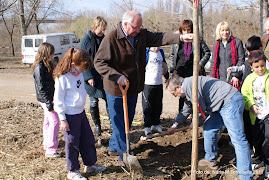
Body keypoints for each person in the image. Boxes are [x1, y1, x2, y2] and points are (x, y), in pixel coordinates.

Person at [94, 10, 193, 165]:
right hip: (115, 89)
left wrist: (180, 37)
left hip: (132, 87)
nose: (138, 30)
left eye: (140, 27)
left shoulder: (140, 35)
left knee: (128, 119)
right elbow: (99, 62)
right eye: (135, 27)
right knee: (120, 122)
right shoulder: (111, 39)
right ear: (125, 24)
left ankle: (114, 147)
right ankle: (124, 154)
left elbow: (160, 37)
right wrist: (116, 76)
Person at [166, 72, 253, 180]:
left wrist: (195, 121)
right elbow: (186, 109)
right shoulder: (187, 87)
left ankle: (246, 176)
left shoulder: (190, 85)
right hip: (218, 106)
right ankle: (210, 159)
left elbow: (200, 108)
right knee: (208, 128)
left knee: (238, 139)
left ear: (178, 87)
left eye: (173, 94)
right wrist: (175, 125)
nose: (175, 96)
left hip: (230, 101)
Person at [53, 48, 106, 180]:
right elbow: (58, 100)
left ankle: (90, 164)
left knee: (87, 139)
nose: (83, 71)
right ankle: (73, 170)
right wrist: (63, 119)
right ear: (72, 65)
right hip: (70, 115)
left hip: (81, 113)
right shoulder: (63, 78)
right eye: (82, 68)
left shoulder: (80, 75)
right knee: (72, 143)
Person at [169, 20, 210, 112]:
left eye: (188, 30)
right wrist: (173, 69)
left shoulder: (198, 39)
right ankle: (182, 115)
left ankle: (195, 115)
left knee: (194, 93)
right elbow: (172, 55)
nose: (186, 32)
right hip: (180, 71)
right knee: (182, 94)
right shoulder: (177, 40)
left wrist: (200, 64)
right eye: (184, 30)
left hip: (193, 71)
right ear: (181, 31)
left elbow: (207, 53)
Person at [241, 50, 269, 177]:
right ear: (251, 66)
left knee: (268, 138)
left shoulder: (268, 77)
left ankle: (268, 163)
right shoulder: (249, 79)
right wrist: (251, 106)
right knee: (257, 139)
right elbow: (245, 95)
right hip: (256, 115)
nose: (260, 69)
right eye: (257, 67)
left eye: (262, 66)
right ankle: (258, 158)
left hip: (268, 114)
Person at [81, 16, 109, 136]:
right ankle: (98, 126)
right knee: (93, 101)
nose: (103, 31)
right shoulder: (86, 39)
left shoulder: (105, 39)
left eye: (104, 29)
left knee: (109, 99)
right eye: (101, 29)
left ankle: (113, 123)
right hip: (91, 74)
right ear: (96, 27)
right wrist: (88, 76)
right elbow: (83, 59)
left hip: (103, 75)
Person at [32, 42, 60, 158]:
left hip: (48, 97)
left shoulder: (47, 65)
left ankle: (47, 142)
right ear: (45, 53)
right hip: (46, 98)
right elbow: (40, 87)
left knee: (48, 121)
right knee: (55, 121)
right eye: (51, 54)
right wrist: (48, 102)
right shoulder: (39, 67)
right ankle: (51, 149)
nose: (52, 56)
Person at [210, 21, 245, 91]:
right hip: (220, 79)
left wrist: (236, 75)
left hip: (234, 79)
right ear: (219, 32)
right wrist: (212, 79)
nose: (225, 33)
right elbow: (213, 63)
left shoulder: (237, 42)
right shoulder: (216, 45)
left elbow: (241, 60)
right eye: (222, 31)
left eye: (227, 30)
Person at [142, 46, 169, 136]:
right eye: (155, 46)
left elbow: (164, 65)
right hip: (148, 83)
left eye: (158, 46)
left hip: (158, 83)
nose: (156, 48)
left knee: (158, 105)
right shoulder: (146, 53)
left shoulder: (161, 52)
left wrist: (167, 77)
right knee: (147, 105)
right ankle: (147, 126)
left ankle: (156, 124)